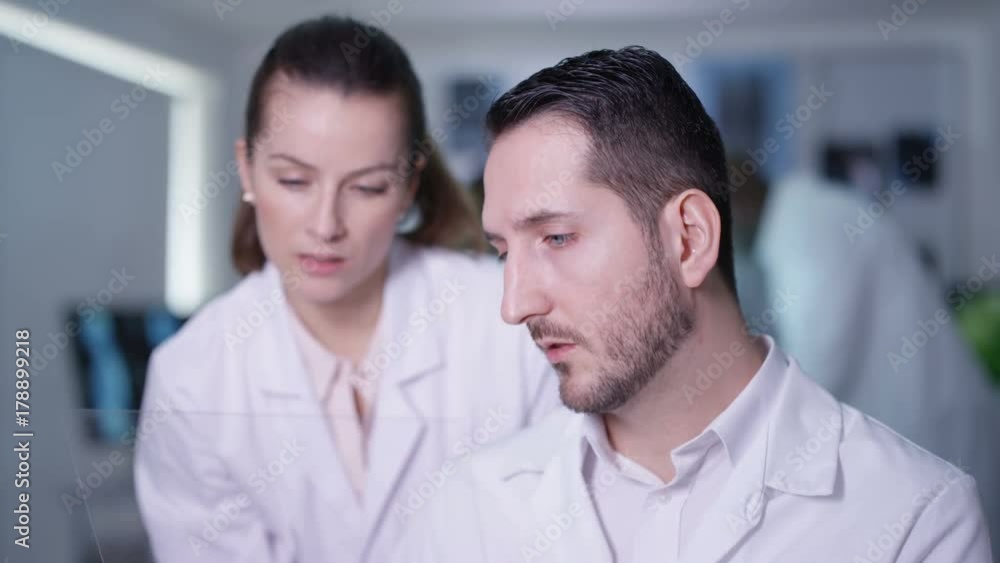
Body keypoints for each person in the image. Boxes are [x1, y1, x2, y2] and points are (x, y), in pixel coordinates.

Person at [396, 47, 993, 562]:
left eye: (556, 238)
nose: (514, 305)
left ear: (689, 238)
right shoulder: (466, 508)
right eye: (504, 253)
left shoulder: (915, 519)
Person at [134, 16, 557, 563]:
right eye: (294, 181)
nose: (326, 225)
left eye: (367, 187)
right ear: (246, 169)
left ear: (408, 187)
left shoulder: (514, 322)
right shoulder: (192, 380)